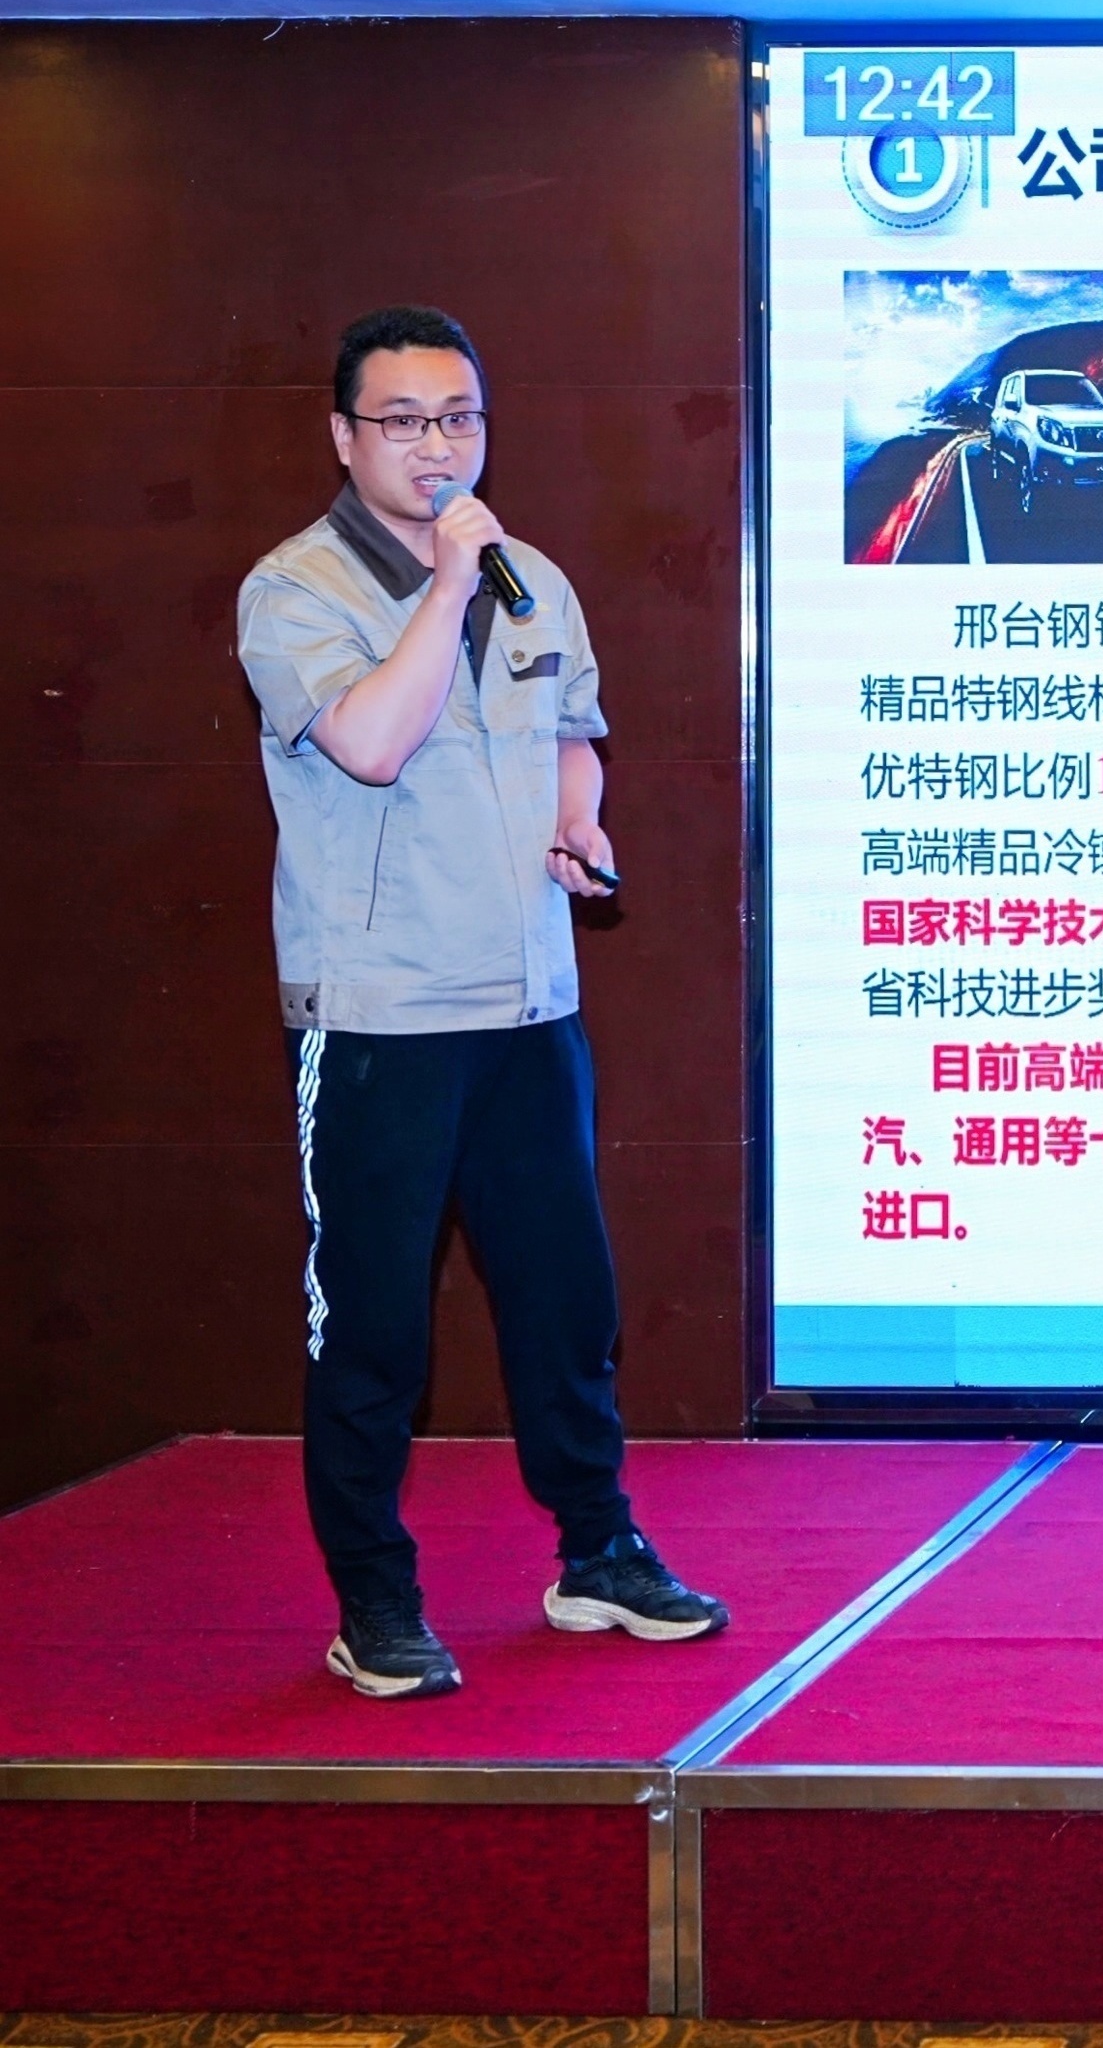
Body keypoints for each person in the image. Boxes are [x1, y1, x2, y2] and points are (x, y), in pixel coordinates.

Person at [236, 306, 729, 1699]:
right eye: (403, 421)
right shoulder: (294, 590)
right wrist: (447, 586)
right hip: (380, 1017)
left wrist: (581, 823)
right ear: (344, 437)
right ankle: (375, 1602)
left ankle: (598, 1553)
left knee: (567, 1303)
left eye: (458, 417)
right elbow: (370, 743)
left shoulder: (534, 580)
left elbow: (573, 734)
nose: (437, 446)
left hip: (527, 1009)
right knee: (376, 1328)